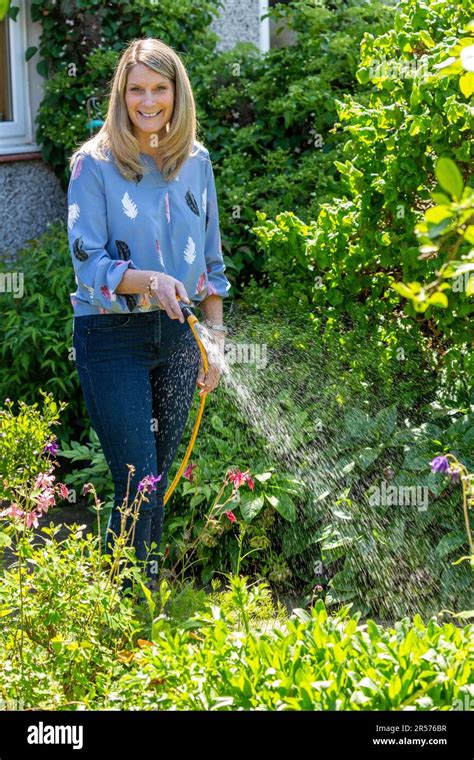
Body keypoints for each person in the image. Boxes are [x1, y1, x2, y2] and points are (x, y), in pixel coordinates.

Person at [67, 37, 231, 592]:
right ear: (122, 94)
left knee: (157, 481)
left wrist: (217, 339)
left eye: (160, 88)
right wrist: (152, 279)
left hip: (179, 335)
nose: (148, 100)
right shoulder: (93, 166)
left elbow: (210, 263)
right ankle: (120, 606)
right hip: (111, 334)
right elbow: (88, 262)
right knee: (136, 479)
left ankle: (147, 602)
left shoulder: (197, 163)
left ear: (176, 92)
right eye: (136, 89)